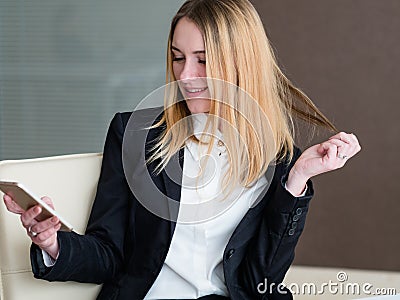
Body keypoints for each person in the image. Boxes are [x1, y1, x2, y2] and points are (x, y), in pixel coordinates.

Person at [3, 0, 361, 299]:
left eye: (203, 60)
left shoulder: (278, 158)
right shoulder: (136, 134)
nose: (186, 75)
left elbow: (260, 283)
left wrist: (296, 180)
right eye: (178, 58)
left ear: (242, 64)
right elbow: (109, 254)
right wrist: (52, 243)